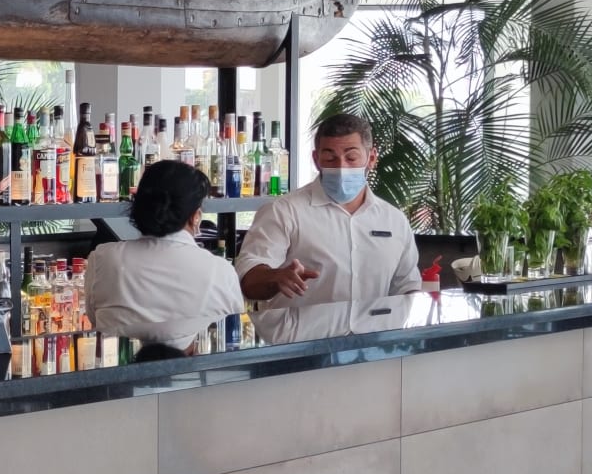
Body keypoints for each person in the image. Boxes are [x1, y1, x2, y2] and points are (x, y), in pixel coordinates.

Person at [237, 113, 421, 305]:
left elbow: (408, 287)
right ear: (316, 159)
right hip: (303, 326)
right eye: (330, 158)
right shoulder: (284, 211)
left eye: (351, 157)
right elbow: (248, 278)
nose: (341, 167)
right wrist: (276, 277)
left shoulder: (394, 220)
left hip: (373, 325)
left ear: (372, 158)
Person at [84, 160, 242, 359]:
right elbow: (232, 335)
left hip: (116, 373)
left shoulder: (103, 259)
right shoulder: (220, 271)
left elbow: (94, 319)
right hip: (195, 376)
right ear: (195, 216)